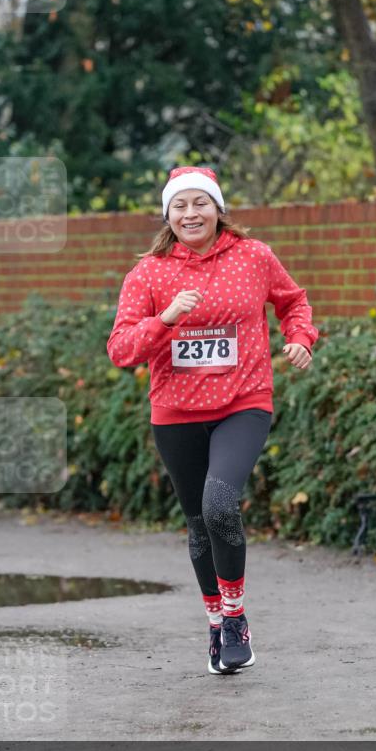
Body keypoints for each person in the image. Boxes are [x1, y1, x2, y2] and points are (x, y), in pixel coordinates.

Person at [107, 166, 318, 676]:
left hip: (243, 402)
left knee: (220, 503)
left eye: (200, 203)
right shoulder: (150, 273)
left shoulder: (254, 257)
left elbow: (294, 301)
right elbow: (120, 350)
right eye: (179, 206)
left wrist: (300, 337)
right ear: (168, 216)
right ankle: (214, 620)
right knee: (199, 522)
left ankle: (236, 615)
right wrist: (166, 319)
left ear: (218, 209)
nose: (190, 213)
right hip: (175, 413)